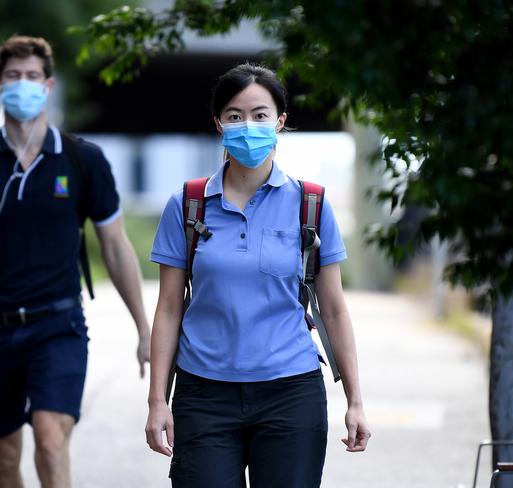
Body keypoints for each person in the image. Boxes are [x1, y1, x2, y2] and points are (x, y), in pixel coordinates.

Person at [0, 35, 151, 488]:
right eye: (13, 77)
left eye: (31, 77)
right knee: (4, 459)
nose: (22, 85)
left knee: (50, 441)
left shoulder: (84, 160)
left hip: (58, 325)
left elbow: (117, 248)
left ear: (47, 86)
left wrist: (143, 327)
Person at [144, 63, 371, 487]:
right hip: (204, 393)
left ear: (280, 122)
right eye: (234, 116)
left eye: (260, 115)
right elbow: (170, 308)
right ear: (218, 124)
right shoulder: (188, 205)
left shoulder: (312, 205)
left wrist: (355, 399)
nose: (247, 125)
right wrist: (158, 401)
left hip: (291, 393)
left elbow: (335, 310)